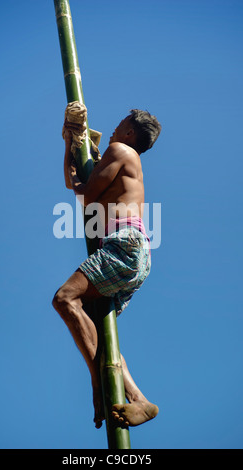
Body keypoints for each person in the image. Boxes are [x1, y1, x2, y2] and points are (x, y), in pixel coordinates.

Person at [52, 109, 162, 429]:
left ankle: (99, 383)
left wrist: (75, 143)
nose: (114, 128)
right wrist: (70, 144)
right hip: (136, 253)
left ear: (130, 134)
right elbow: (77, 185)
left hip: (124, 245)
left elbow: (85, 196)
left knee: (65, 299)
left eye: (121, 124)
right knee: (99, 332)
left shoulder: (120, 151)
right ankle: (140, 400)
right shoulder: (125, 157)